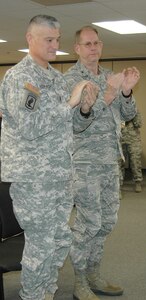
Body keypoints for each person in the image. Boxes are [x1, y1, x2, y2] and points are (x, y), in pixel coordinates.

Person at [0, 15, 98, 300]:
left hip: (59, 176)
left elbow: (70, 126)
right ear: (30, 39)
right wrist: (70, 103)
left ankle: (46, 293)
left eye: (57, 39)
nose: (56, 45)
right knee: (40, 246)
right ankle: (33, 296)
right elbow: (30, 126)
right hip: (34, 179)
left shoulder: (55, 78)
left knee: (59, 241)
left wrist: (83, 110)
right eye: (49, 40)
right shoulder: (20, 77)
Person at [64, 26, 139, 300]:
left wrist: (127, 91)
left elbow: (128, 114)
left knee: (107, 222)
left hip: (110, 162)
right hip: (83, 165)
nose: (93, 48)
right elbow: (75, 124)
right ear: (77, 48)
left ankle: (94, 273)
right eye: (87, 44)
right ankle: (80, 280)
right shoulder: (71, 80)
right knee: (88, 224)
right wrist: (108, 93)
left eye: (96, 43)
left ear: (102, 46)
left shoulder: (110, 76)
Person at [120, 111, 143, 193]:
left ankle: (138, 182)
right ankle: (119, 185)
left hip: (133, 140)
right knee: (120, 163)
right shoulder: (117, 110)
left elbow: (139, 124)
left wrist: (132, 116)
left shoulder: (135, 111)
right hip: (120, 139)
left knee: (135, 161)